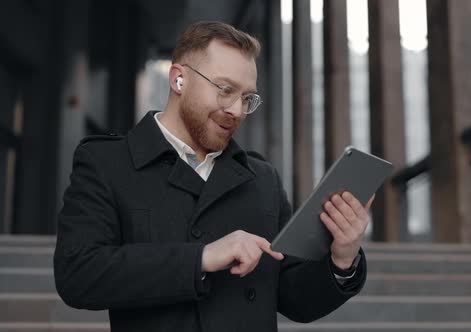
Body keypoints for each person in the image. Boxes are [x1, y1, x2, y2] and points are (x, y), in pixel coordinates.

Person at [54, 21, 373, 332]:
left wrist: (341, 259)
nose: (236, 110)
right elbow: (78, 274)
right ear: (179, 80)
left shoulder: (262, 179)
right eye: (225, 90)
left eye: (247, 98)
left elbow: (293, 298)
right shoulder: (108, 163)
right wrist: (202, 257)